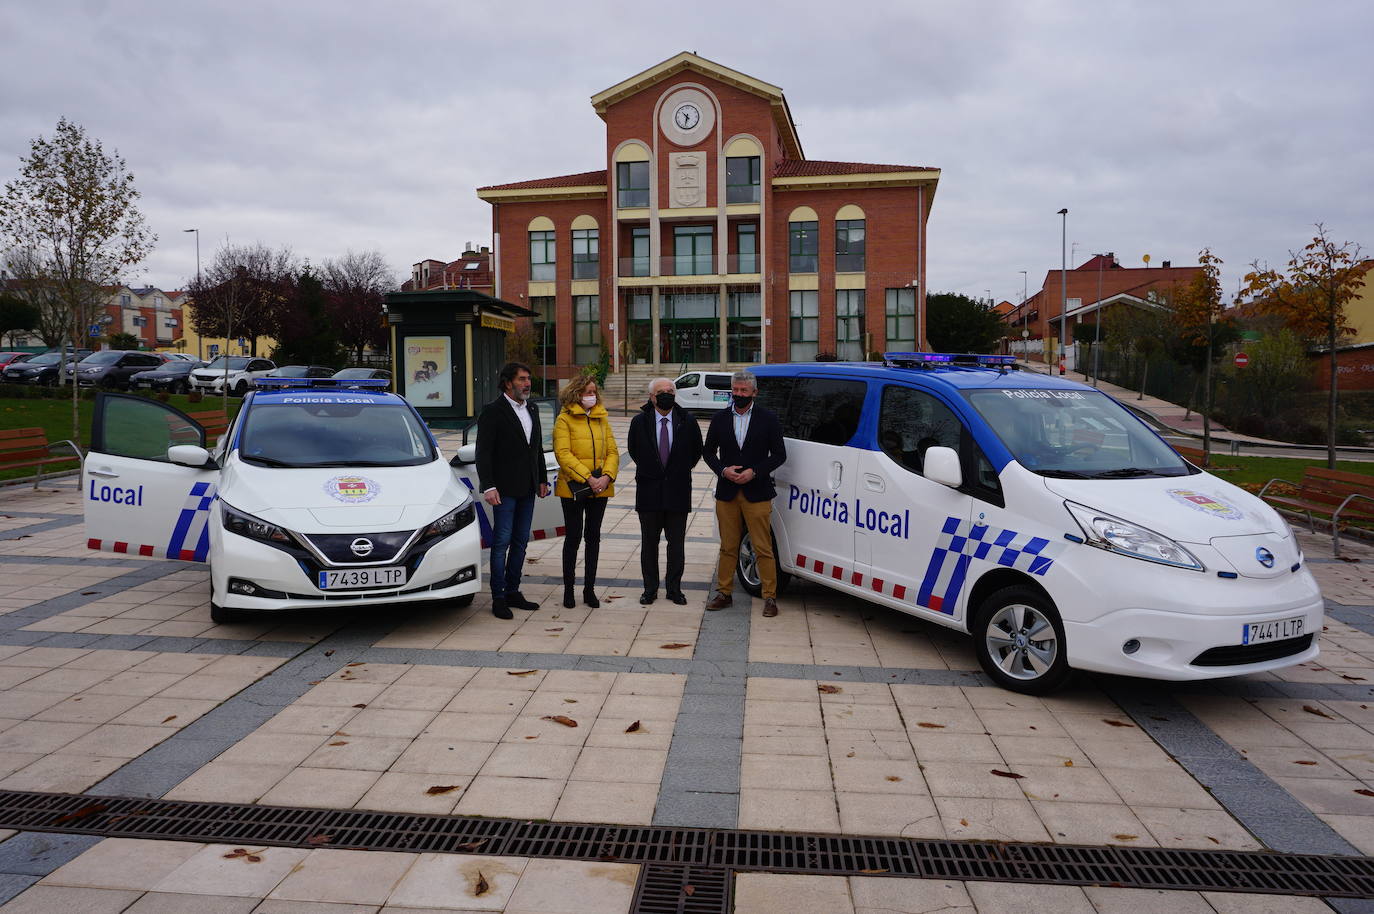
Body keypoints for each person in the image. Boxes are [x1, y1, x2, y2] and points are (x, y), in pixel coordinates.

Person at [702, 370, 787, 617]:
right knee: (728, 546)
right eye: (735, 390)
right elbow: (708, 452)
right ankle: (724, 593)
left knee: (763, 546)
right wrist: (722, 470)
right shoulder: (719, 419)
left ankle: (770, 597)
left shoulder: (768, 419)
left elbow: (780, 454)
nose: (738, 395)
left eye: (743, 391)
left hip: (757, 492)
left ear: (754, 393)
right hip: (727, 492)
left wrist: (755, 472)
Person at [476, 361, 550, 619]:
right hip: (504, 490)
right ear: (508, 383)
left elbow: (536, 447)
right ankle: (498, 597)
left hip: (528, 487)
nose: (527, 383)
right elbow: (483, 453)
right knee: (501, 543)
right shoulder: (493, 411)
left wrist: (541, 478)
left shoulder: (532, 408)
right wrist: (489, 485)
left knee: (520, 542)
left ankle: (513, 591)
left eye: (528, 378)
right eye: (521, 379)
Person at [626, 377, 703, 606]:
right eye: (662, 391)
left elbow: (696, 452)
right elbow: (634, 451)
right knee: (649, 544)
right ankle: (650, 589)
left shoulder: (687, 421)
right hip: (649, 491)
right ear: (652, 396)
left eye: (671, 390)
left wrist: (676, 471)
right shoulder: (640, 422)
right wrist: (653, 470)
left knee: (676, 544)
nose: (667, 394)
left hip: (678, 491)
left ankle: (674, 589)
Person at [553, 373, 619, 609]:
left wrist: (606, 477)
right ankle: (569, 591)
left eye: (594, 392)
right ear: (576, 394)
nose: (592, 396)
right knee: (573, 538)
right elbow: (563, 454)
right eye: (588, 392)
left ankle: (589, 590)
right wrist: (589, 478)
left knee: (594, 538)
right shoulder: (565, 420)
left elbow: (612, 451)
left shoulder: (602, 418)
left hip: (600, 488)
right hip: (573, 488)